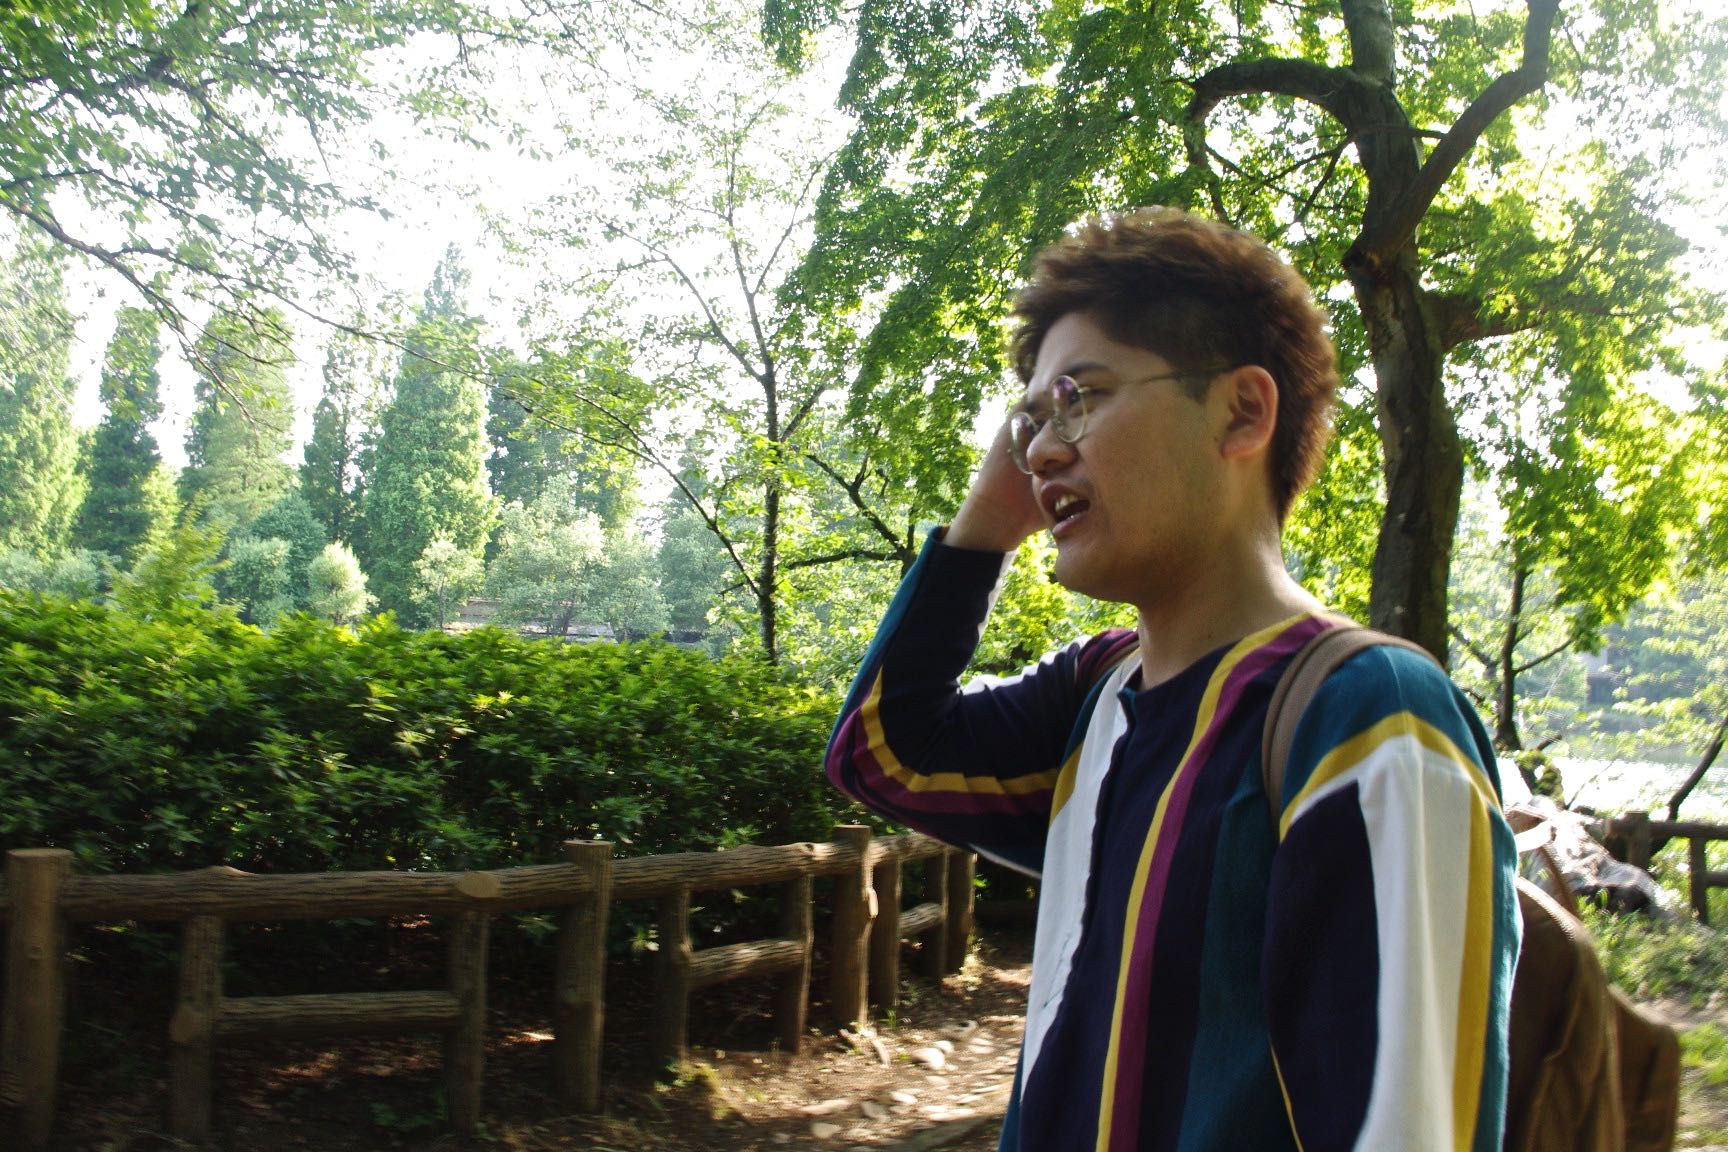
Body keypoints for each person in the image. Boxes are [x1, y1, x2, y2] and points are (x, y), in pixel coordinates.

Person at [825, 207, 1521, 1151]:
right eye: (1031, 422)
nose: (1041, 451)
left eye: (1081, 397)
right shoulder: (1097, 696)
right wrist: (987, 519)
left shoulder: (1368, 719)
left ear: (1243, 412)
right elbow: (883, 754)